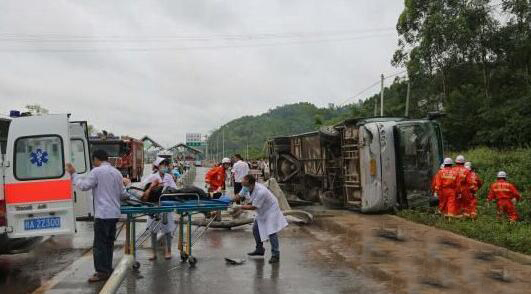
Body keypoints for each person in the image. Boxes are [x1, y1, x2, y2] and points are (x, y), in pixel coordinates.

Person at [66, 150, 127, 282]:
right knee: (109, 243)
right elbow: (123, 194)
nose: (93, 163)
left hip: (102, 214)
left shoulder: (97, 171)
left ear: (96, 159)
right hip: (114, 214)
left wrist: (73, 174)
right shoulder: (116, 173)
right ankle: (107, 269)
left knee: (100, 244)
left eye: (93, 161)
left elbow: (83, 186)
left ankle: (101, 272)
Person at [238, 174, 288, 264]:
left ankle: (275, 255)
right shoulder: (246, 187)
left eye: (244, 184)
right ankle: (259, 249)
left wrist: (239, 207)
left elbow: (253, 207)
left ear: (251, 184)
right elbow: (239, 195)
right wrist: (228, 201)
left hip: (271, 209)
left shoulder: (261, 191)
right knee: (255, 229)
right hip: (263, 210)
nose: (243, 187)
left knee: (271, 232)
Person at [142, 157, 177, 260]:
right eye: (163, 164)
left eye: (166, 164)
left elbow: (174, 189)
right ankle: (153, 253)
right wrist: (153, 186)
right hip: (154, 205)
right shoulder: (152, 176)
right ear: (158, 166)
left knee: (167, 230)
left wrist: (166, 188)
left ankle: (168, 251)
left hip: (166, 205)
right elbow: (143, 187)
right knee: (153, 230)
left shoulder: (169, 177)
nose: (165, 167)